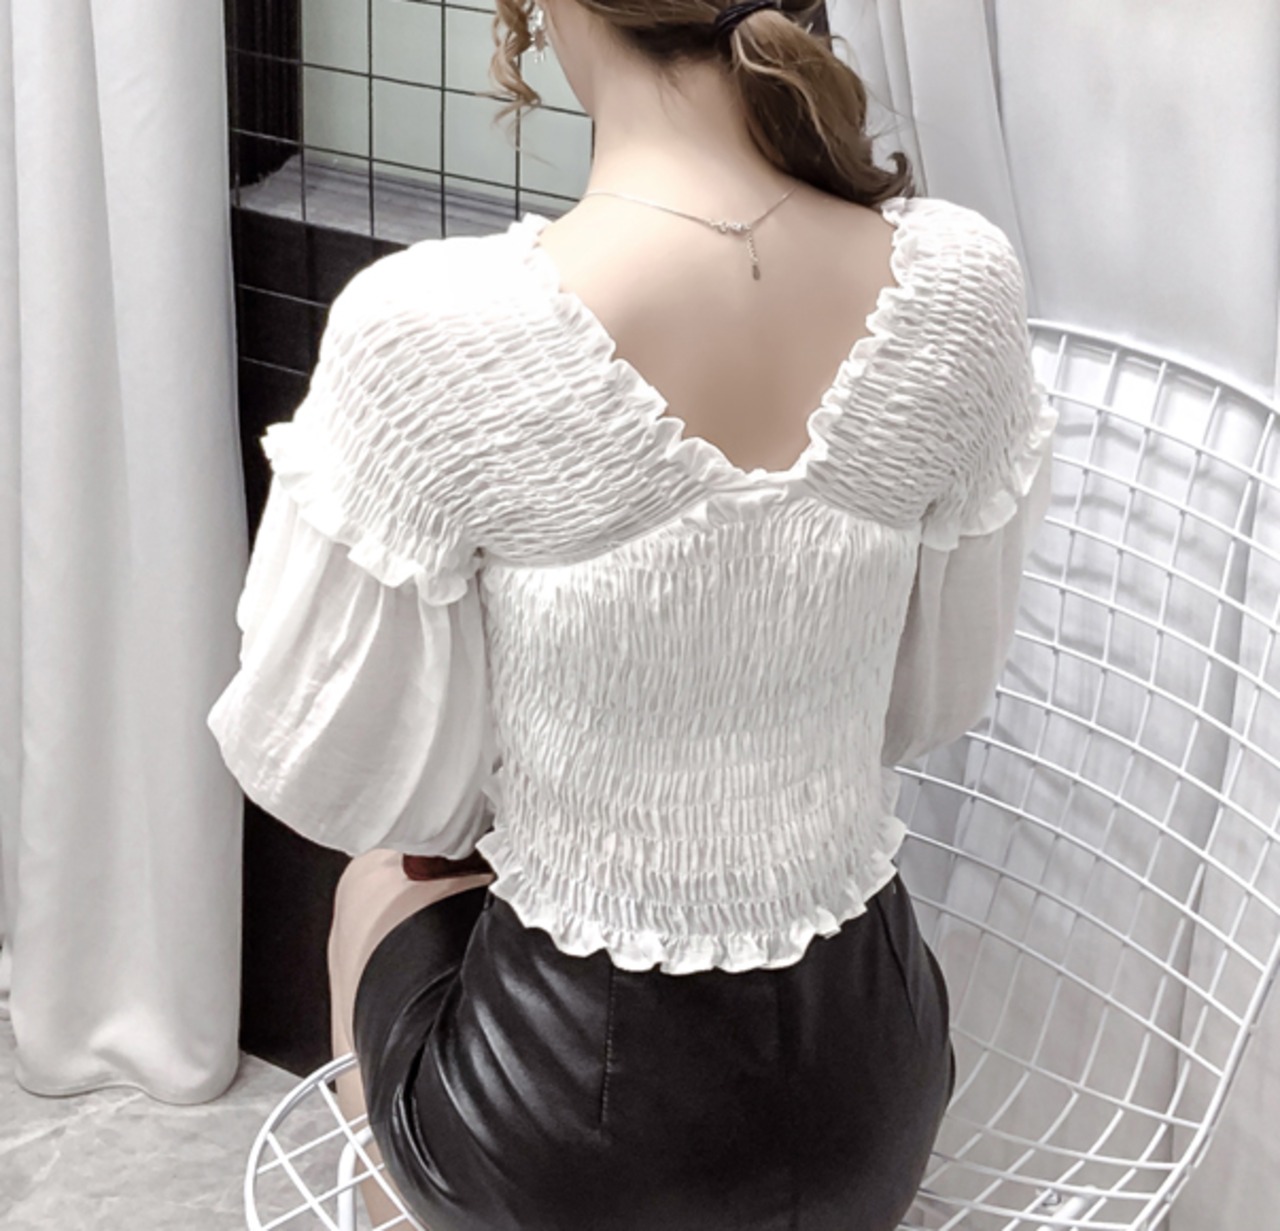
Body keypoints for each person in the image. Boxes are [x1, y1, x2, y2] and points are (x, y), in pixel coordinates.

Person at [207, 0, 1056, 1226]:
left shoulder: (433, 331)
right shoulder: (960, 284)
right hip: (872, 1092)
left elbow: (329, 766)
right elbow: (930, 701)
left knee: (374, 884)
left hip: (570, 1140)